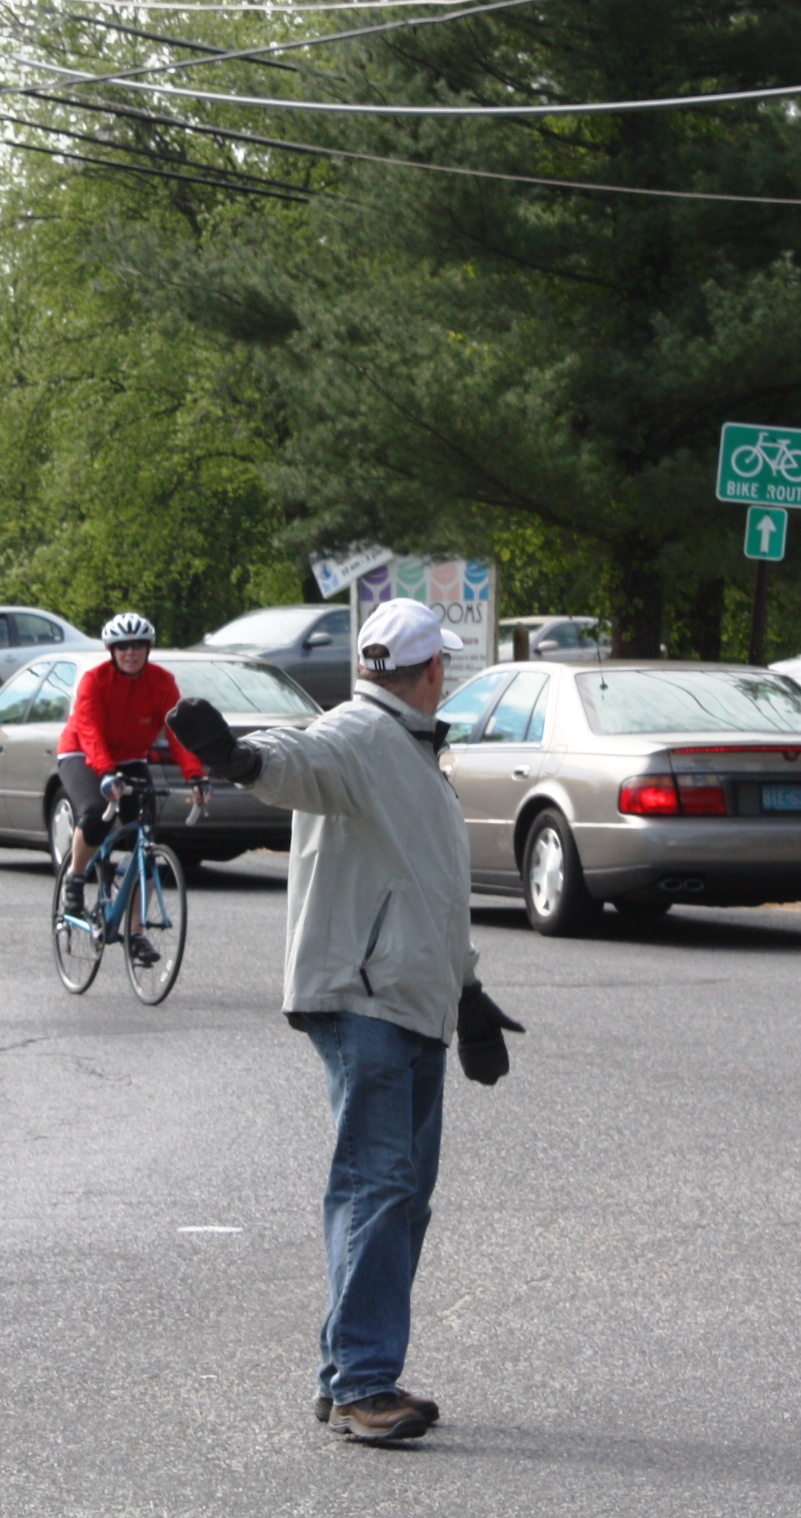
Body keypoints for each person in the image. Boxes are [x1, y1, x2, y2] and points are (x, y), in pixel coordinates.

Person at [166, 596, 522, 1445]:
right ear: (436, 670)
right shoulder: (361, 735)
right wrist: (239, 758)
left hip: (410, 997)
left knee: (400, 1196)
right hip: (365, 995)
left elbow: (430, 892)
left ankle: (349, 1372)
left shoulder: (409, 751)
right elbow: (295, 759)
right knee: (379, 1185)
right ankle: (365, 1382)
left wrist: (466, 994)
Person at [54, 611, 205, 962]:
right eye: (122, 647)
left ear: (148, 649)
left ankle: (135, 932)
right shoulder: (95, 680)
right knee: (95, 814)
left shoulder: (162, 682)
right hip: (80, 752)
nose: (130, 653)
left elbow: (178, 735)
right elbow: (89, 730)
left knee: (147, 840)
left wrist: (195, 775)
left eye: (138, 646)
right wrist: (105, 772)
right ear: (111, 650)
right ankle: (76, 878)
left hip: (130, 757)